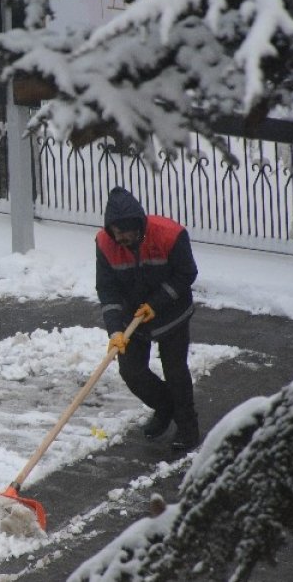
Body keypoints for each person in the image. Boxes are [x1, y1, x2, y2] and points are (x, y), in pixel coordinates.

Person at [95, 186, 200, 450]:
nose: (120, 238)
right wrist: (115, 331)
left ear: (137, 226)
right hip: (133, 318)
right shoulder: (105, 244)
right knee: (132, 371)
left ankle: (188, 428)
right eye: (115, 233)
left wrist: (156, 303)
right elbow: (108, 289)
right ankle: (165, 407)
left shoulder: (169, 235)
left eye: (124, 233)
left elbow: (186, 274)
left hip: (172, 313)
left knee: (175, 370)